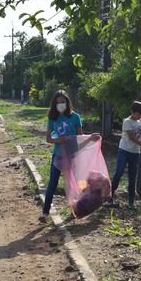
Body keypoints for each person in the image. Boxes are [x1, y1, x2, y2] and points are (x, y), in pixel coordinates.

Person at [40, 90, 85, 223]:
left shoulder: (75, 117)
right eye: (58, 103)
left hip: (73, 156)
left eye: (62, 102)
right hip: (58, 156)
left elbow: (80, 137)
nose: (60, 105)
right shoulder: (52, 118)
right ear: (54, 104)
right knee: (52, 183)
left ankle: (77, 208)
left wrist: (91, 139)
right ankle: (45, 213)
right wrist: (58, 140)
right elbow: (48, 138)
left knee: (76, 183)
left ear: (67, 102)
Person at [109, 101, 141, 209]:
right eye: (138, 113)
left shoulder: (140, 120)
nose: (139, 116)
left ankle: (131, 202)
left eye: (140, 114)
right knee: (119, 171)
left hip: (135, 152)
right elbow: (132, 137)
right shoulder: (127, 122)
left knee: (132, 177)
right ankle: (110, 196)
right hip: (124, 150)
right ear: (132, 112)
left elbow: (139, 133)